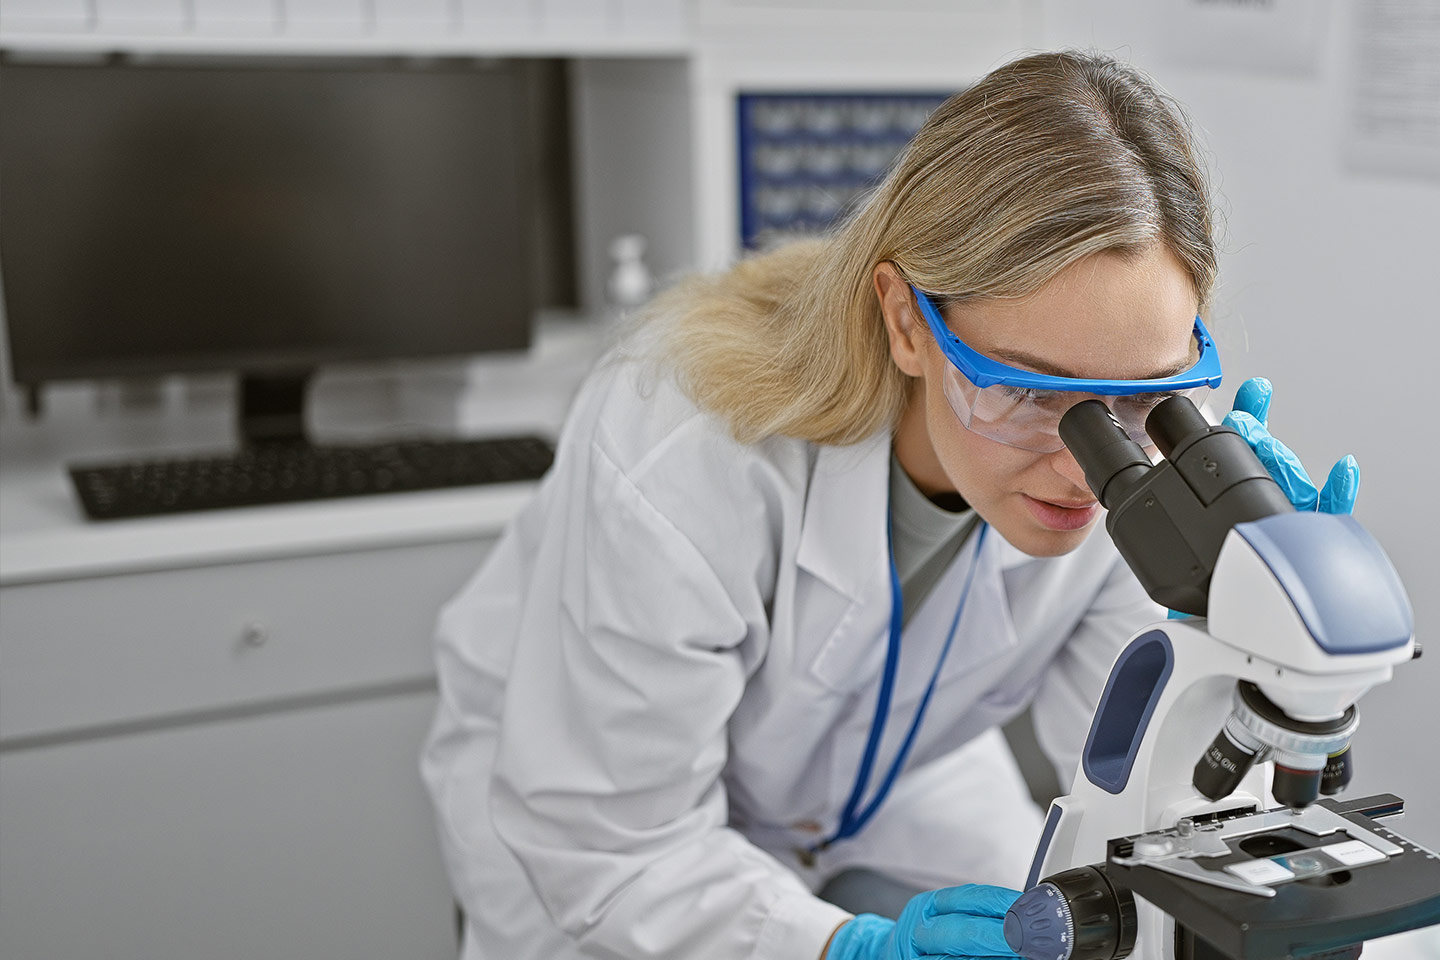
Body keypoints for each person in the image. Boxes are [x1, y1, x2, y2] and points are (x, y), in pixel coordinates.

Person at [420, 50, 1358, 960]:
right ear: (908, 321)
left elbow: (1159, 806)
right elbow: (610, 850)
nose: (1088, 466)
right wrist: (852, 948)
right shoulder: (683, 457)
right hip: (597, 809)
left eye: (1148, 393)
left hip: (892, 769)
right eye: (1031, 392)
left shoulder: (1142, 467)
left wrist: (1238, 648)